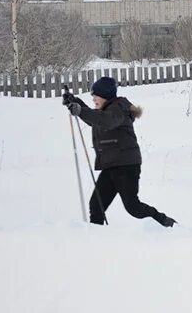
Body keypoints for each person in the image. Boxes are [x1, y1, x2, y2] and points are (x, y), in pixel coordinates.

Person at [63, 76, 176, 227]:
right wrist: (75, 102)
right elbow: (95, 119)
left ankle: (164, 222)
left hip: (126, 166)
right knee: (96, 205)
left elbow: (106, 121)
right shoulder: (104, 111)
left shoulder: (118, 109)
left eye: (96, 95)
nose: (93, 98)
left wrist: (81, 111)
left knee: (133, 207)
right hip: (111, 166)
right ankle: (96, 238)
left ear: (105, 96)